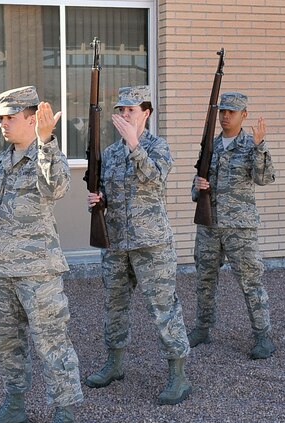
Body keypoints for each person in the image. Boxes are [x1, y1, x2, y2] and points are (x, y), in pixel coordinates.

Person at [0, 86, 83, 423]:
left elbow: (58, 187)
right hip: (3, 270)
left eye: (10, 117)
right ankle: (15, 409)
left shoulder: (47, 156)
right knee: (7, 345)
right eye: (0, 118)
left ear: (32, 119)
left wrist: (47, 142)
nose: (2, 124)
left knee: (52, 346)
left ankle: (67, 420)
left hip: (39, 272)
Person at [85, 85, 191, 406]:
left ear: (146, 112)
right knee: (114, 305)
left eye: (131, 109)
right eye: (121, 110)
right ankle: (114, 363)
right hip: (116, 241)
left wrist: (134, 145)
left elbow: (155, 180)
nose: (124, 114)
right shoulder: (111, 153)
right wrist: (96, 200)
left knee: (163, 308)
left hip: (151, 243)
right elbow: (103, 191)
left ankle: (178, 374)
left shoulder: (159, 147)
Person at [189, 91, 277, 360]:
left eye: (232, 112)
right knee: (204, 280)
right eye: (223, 112)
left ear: (244, 115)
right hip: (209, 224)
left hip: (240, 227)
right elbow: (196, 190)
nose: (226, 116)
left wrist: (261, 145)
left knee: (250, 281)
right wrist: (198, 187)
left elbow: (264, 178)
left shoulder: (252, 145)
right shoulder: (210, 146)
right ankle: (203, 328)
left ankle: (263, 336)